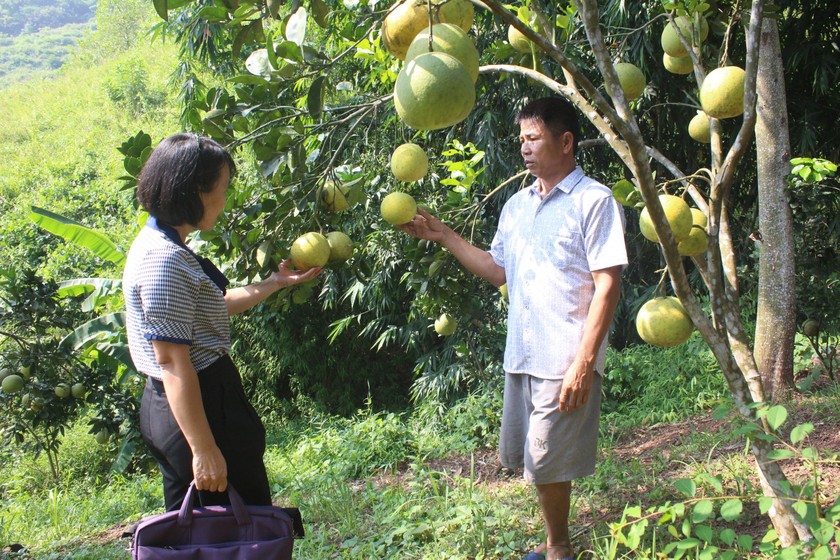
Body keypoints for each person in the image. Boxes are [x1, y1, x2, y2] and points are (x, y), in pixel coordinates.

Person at [399, 97, 627, 560]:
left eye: (533, 138)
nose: (523, 148)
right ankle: (554, 544)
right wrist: (445, 236)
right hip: (523, 353)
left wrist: (584, 363)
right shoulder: (516, 206)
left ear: (566, 142)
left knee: (544, 462)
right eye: (520, 138)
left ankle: (559, 549)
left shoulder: (593, 201)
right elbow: (496, 268)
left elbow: (608, 285)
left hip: (565, 357)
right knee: (534, 460)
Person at [124, 132, 322, 511]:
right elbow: (171, 362)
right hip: (198, 405)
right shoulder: (163, 261)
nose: (226, 200)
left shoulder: (166, 244)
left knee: (213, 533)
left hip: (194, 401)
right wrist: (204, 448)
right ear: (195, 190)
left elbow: (213, 307)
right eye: (223, 188)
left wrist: (275, 282)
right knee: (231, 533)